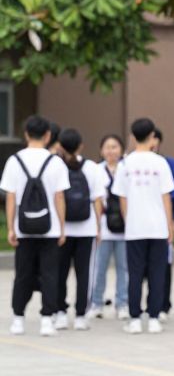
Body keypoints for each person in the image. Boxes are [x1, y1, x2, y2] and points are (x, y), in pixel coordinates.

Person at [1, 115, 70, 336]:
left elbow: (10, 197)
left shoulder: (14, 161)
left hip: (24, 228)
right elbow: (60, 197)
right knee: (50, 274)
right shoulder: (56, 162)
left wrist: (11, 227)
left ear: (26, 134)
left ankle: (18, 319)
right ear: (48, 135)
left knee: (23, 274)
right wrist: (61, 227)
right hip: (49, 229)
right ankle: (46, 320)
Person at [112, 118, 174, 334]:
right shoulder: (160, 163)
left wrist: (128, 218)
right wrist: (169, 224)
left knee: (135, 273)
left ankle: (135, 319)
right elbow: (166, 195)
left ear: (132, 137)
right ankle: (155, 317)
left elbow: (122, 198)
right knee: (158, 273)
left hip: (135, 228)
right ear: (152, 137)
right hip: (158, 227)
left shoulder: (125, 164)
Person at [54, 129, 104, 331]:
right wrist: (98, 227)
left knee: (60, 273)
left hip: (62, 229)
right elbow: (98, 200)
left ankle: (60, 313)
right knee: (84, 273)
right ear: (81, 146)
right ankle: (82, 315)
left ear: (60, 146)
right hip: (87, 229)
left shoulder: (55, 166)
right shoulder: (92, 167)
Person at [87, 134, 129, 320]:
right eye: (107, 147)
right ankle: (96, 303)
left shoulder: (127, 168)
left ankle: (122, 303)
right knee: (99, 267)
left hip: (124, 227)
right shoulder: (96, 170)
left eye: (115, 147)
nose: (111, 151)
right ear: (101, 151)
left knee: (123, 267)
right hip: (102, 226)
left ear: (121, 149)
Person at [153, 128, 174, 320]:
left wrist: (173, 220)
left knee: (164, 264)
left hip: (164, 221)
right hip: (143, 223)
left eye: (155, 139)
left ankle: (163, 304)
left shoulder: (169, 164)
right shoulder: (131, 163)